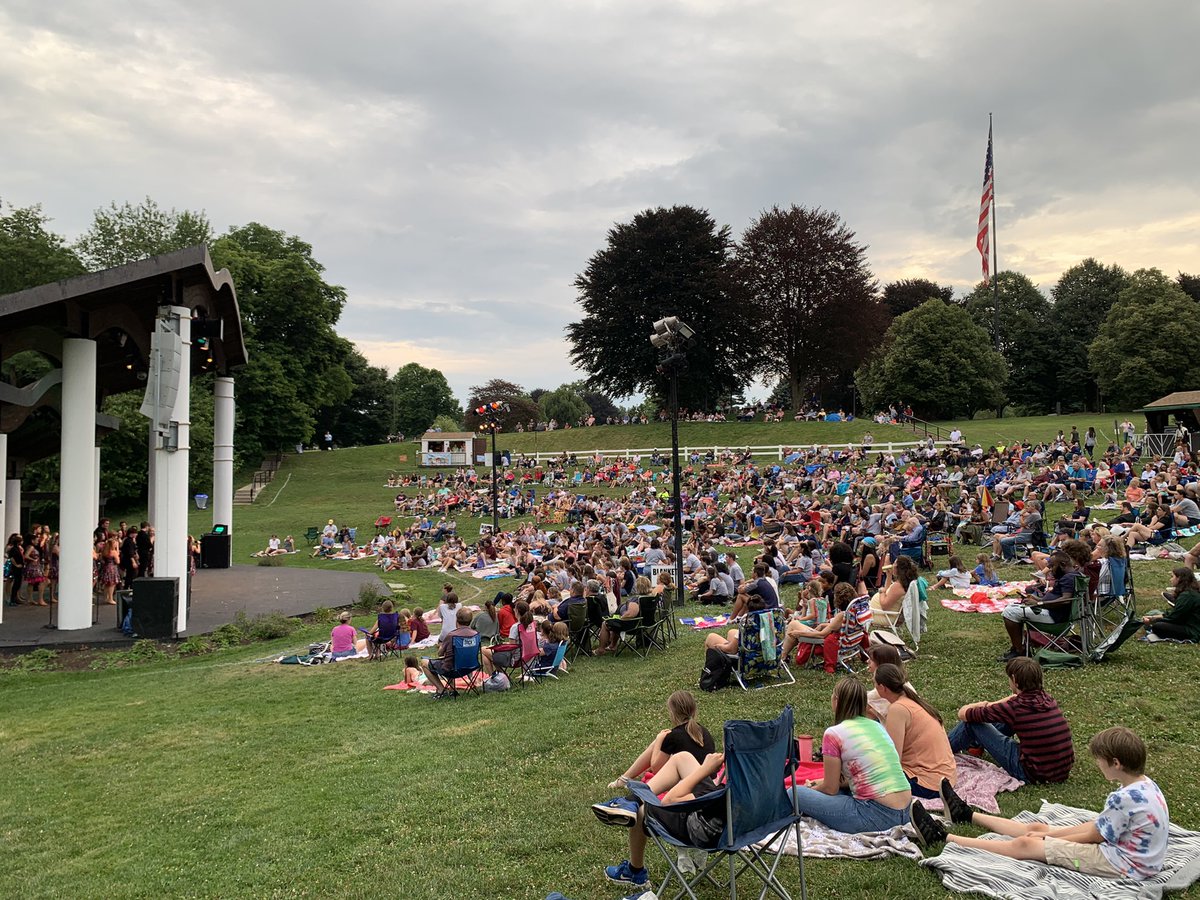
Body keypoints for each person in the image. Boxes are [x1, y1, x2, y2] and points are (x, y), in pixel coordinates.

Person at [914, 727, 1169, 881]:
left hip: (1124, 865)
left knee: (1028, 843)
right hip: (1132, 855)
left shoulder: (1123, 798)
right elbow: (1102, 828)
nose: (1097, 764)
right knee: (1036, 828)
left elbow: (1095, 836)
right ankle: (967, 816)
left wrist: (1048, 841)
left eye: (1099, 760)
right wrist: (1047, 833)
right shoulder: (1146, 785)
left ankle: (943, 838)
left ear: (1116, 763)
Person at [788, 678, 916, 833]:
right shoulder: (877, 726)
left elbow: (830, 789)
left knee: (794, 793)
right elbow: (855, 778)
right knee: (837, 793)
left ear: (836, 700)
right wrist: (820, 784)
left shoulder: (834, 733)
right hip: (906, 810)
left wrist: (810, 789)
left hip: (874, 815)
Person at [594, 749, 727, 891]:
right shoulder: (749, 781)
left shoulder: (721, 795)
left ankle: (634, 872)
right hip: (737, 826)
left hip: (708, 827)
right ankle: (630, 801)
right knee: (683, 758)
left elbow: (670, 801)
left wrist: (705, 769)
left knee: (643, 810)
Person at [948, 656, 1074, 783]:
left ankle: (942, 751)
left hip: (1031, 773)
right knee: (1007, 721)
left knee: (971, 725)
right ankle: (975, 744)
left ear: (1014, 680)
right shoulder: (1047, 699)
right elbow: (1010, 706)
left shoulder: (1015, 707)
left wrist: (985, 703)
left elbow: (963, 713)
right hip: (1060, 771)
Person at [872, 663, 956, 798]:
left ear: (882, 687)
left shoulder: (898, 709)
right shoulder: (912, 701)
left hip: (929, 785)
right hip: (946, 779)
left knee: (865, 777)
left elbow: (892, 759)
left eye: (874, 683)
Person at [606, 690, 715, 789]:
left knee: (658, 741)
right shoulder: (703, 731)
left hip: (690, 783)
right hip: (709, 778)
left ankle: (624, 778)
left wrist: (659, 740)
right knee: (662, 740)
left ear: (672, 713)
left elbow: (656, 769)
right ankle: (625, 778)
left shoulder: (673, 736)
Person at [997, 550, 1079, 661]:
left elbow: (1066, 600)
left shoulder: (1069, 578)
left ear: (1063, 565)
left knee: (1010, 612)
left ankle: (1019, 651)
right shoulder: (1071, 575)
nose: (1049, 570)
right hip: (1054, 613)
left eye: (1052, 566)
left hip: (1055, 619)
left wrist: (1039, 603)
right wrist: (1037, 599)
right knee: (1013, 608)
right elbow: (1059, 598)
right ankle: (1020, 647)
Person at [421, 607, 479, 696]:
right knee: (451, 657)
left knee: (424, 662)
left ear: (457, 620)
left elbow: (440, 653)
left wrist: (441, 647)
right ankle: (452, 689)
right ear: (470, 620)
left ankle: (440, 689)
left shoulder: (452, 635)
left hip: (452, 670)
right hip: (470, 667)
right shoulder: (475, 634)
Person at [1142, 567, 1200, 642]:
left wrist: (1154, 620)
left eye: (1172, 577)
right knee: (1155, 614)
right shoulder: (1190, 592)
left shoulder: (1187, 595)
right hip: (1189, 624)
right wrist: (1154, 617)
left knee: (1158, 626)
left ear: (1179, 578)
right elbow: (1175, 613)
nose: (1171, 579)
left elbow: (1175, 618)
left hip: (1193, 630)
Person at [596, 576, 645, 655]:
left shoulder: (637, 600)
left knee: (606, 623)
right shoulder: (649, 598)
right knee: (615, 620)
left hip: (632, 625)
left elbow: (631, 613)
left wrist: (620, 618)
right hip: (643, 623)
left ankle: (601, 649)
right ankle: (612, 645)